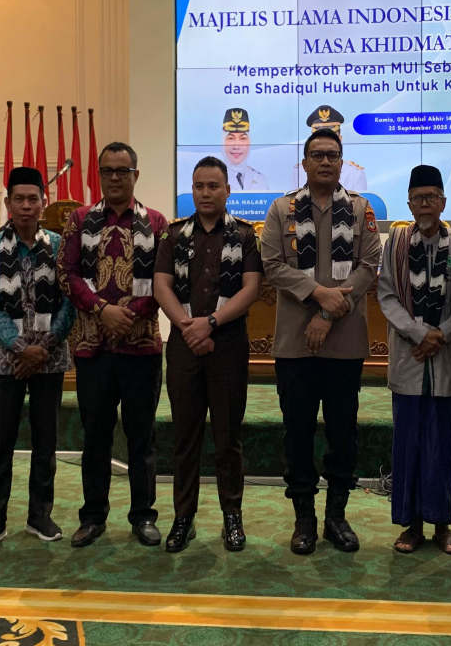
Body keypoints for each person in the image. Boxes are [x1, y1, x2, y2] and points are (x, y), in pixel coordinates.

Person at [262, 126, 382, 555]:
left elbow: (369, 265)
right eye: (318, 155)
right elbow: (272, 264)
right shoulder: (282, 210)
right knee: (297, 434)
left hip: (344, 343)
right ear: (305, 162)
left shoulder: (362, 209)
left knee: (342, 433)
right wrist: (318, 293)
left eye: (333, 155)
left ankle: (336, 517)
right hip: (295, 344)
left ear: (342, 162)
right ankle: (304, 520)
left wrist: (329, 313)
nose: (326, 161)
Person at [57, 142, 170, 548]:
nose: (115, 177)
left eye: (123, 170)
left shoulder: (156, 223)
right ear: (99, 175)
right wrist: (102, 310)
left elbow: (165, 281)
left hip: (141, 346)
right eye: (108, 171)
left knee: (141, 437)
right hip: (93, 347)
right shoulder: (78, 221)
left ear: (136, 175)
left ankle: (143, 516)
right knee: (95, 438)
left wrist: (130, 315)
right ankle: (92, 517)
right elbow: (66, 274)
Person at [154, 157, 264, 553]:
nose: (205, 193)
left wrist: (211, 323)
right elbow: (161, 286)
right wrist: (189, 326)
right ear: (192, 190)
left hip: (228, 347)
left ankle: (231, 517)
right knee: (185, 438)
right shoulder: (173, 235)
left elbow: (251, 288)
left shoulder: (245, 236)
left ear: (227, 191)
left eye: (213, 186)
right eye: (199, 186)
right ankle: (183, 518)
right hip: (184, 346)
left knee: (227, 438)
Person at [0, 167, 76, 551]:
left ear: (43, 203)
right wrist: (21, 348)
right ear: (8, 203)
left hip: (49, 359)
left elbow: (69, 304)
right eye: (19, 199)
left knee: (45, 443)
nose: (26, 206)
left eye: (33, 199)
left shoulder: (60, 245)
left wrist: (43, 348)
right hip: (5, 362)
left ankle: (40, 515)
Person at [378, 165, 451, 556]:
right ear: (408, 204)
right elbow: (387, 295)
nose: (424, 204)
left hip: (445, 360)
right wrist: (420, 334)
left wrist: (442, 334)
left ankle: (443, 525)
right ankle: (412, 525)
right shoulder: (395, 243)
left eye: (431, 197)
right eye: (418, 198)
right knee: (408, 446)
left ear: (443, 202)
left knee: (442, 447)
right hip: (409, 359)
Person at [291, 105, 368, 190]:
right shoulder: (298, 172)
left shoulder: (355, 174)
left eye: (331, 138)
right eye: (319, 138)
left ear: (340, 139)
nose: (324, 143)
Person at [221, 108, 269, 191]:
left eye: (243, 138)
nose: (236, 146)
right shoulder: (212, 177)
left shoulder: (260, 180)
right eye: (231, 138)